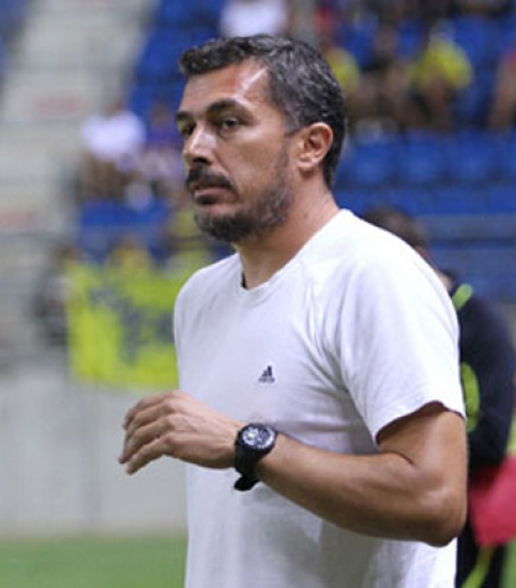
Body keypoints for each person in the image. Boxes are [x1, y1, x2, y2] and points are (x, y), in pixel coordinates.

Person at [118, 35, 468, 588]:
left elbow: (435, 500)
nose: (195, 149)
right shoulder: (199, 298)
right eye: (188, 128)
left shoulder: (374, 276)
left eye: (227, 123)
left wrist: (248, 446)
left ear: (311, 146)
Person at [361, 206, 516, 588]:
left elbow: (492, 440)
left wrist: (406, 452)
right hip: (392, 512)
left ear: (417, 259)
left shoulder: (479, 324)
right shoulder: (374, 324)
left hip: (469, 516)